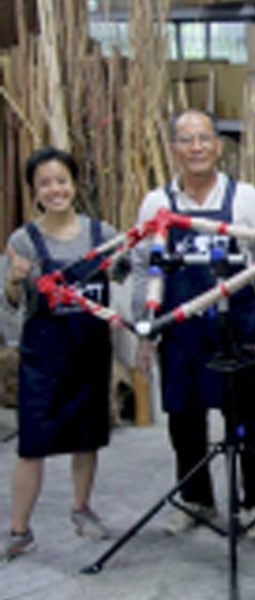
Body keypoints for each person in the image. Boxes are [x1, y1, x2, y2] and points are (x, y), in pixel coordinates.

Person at [132, 108, 255, 536]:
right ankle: (196, 500)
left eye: (204, 138)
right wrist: (146, 330)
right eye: (186, 139)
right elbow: (144, 269)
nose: (196, 147)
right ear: (173, 148)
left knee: (249, 417)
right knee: (184, 419)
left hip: (239, 329)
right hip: (181, 332)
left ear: (218, 145)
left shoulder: (245, 198)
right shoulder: (157, 204)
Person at [2, 146, 116, 560]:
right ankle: (19, 530)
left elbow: (123, 271)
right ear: (34, 191)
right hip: (44, 361)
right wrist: (15, 281)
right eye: (45, 183)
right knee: (32, 447)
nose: (56, 190)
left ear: (74, 185)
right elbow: (11, 305)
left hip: (89, 355)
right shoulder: (23, 240)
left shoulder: (101, 234)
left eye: (62, 181)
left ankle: (82, 509)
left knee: (86, 441)